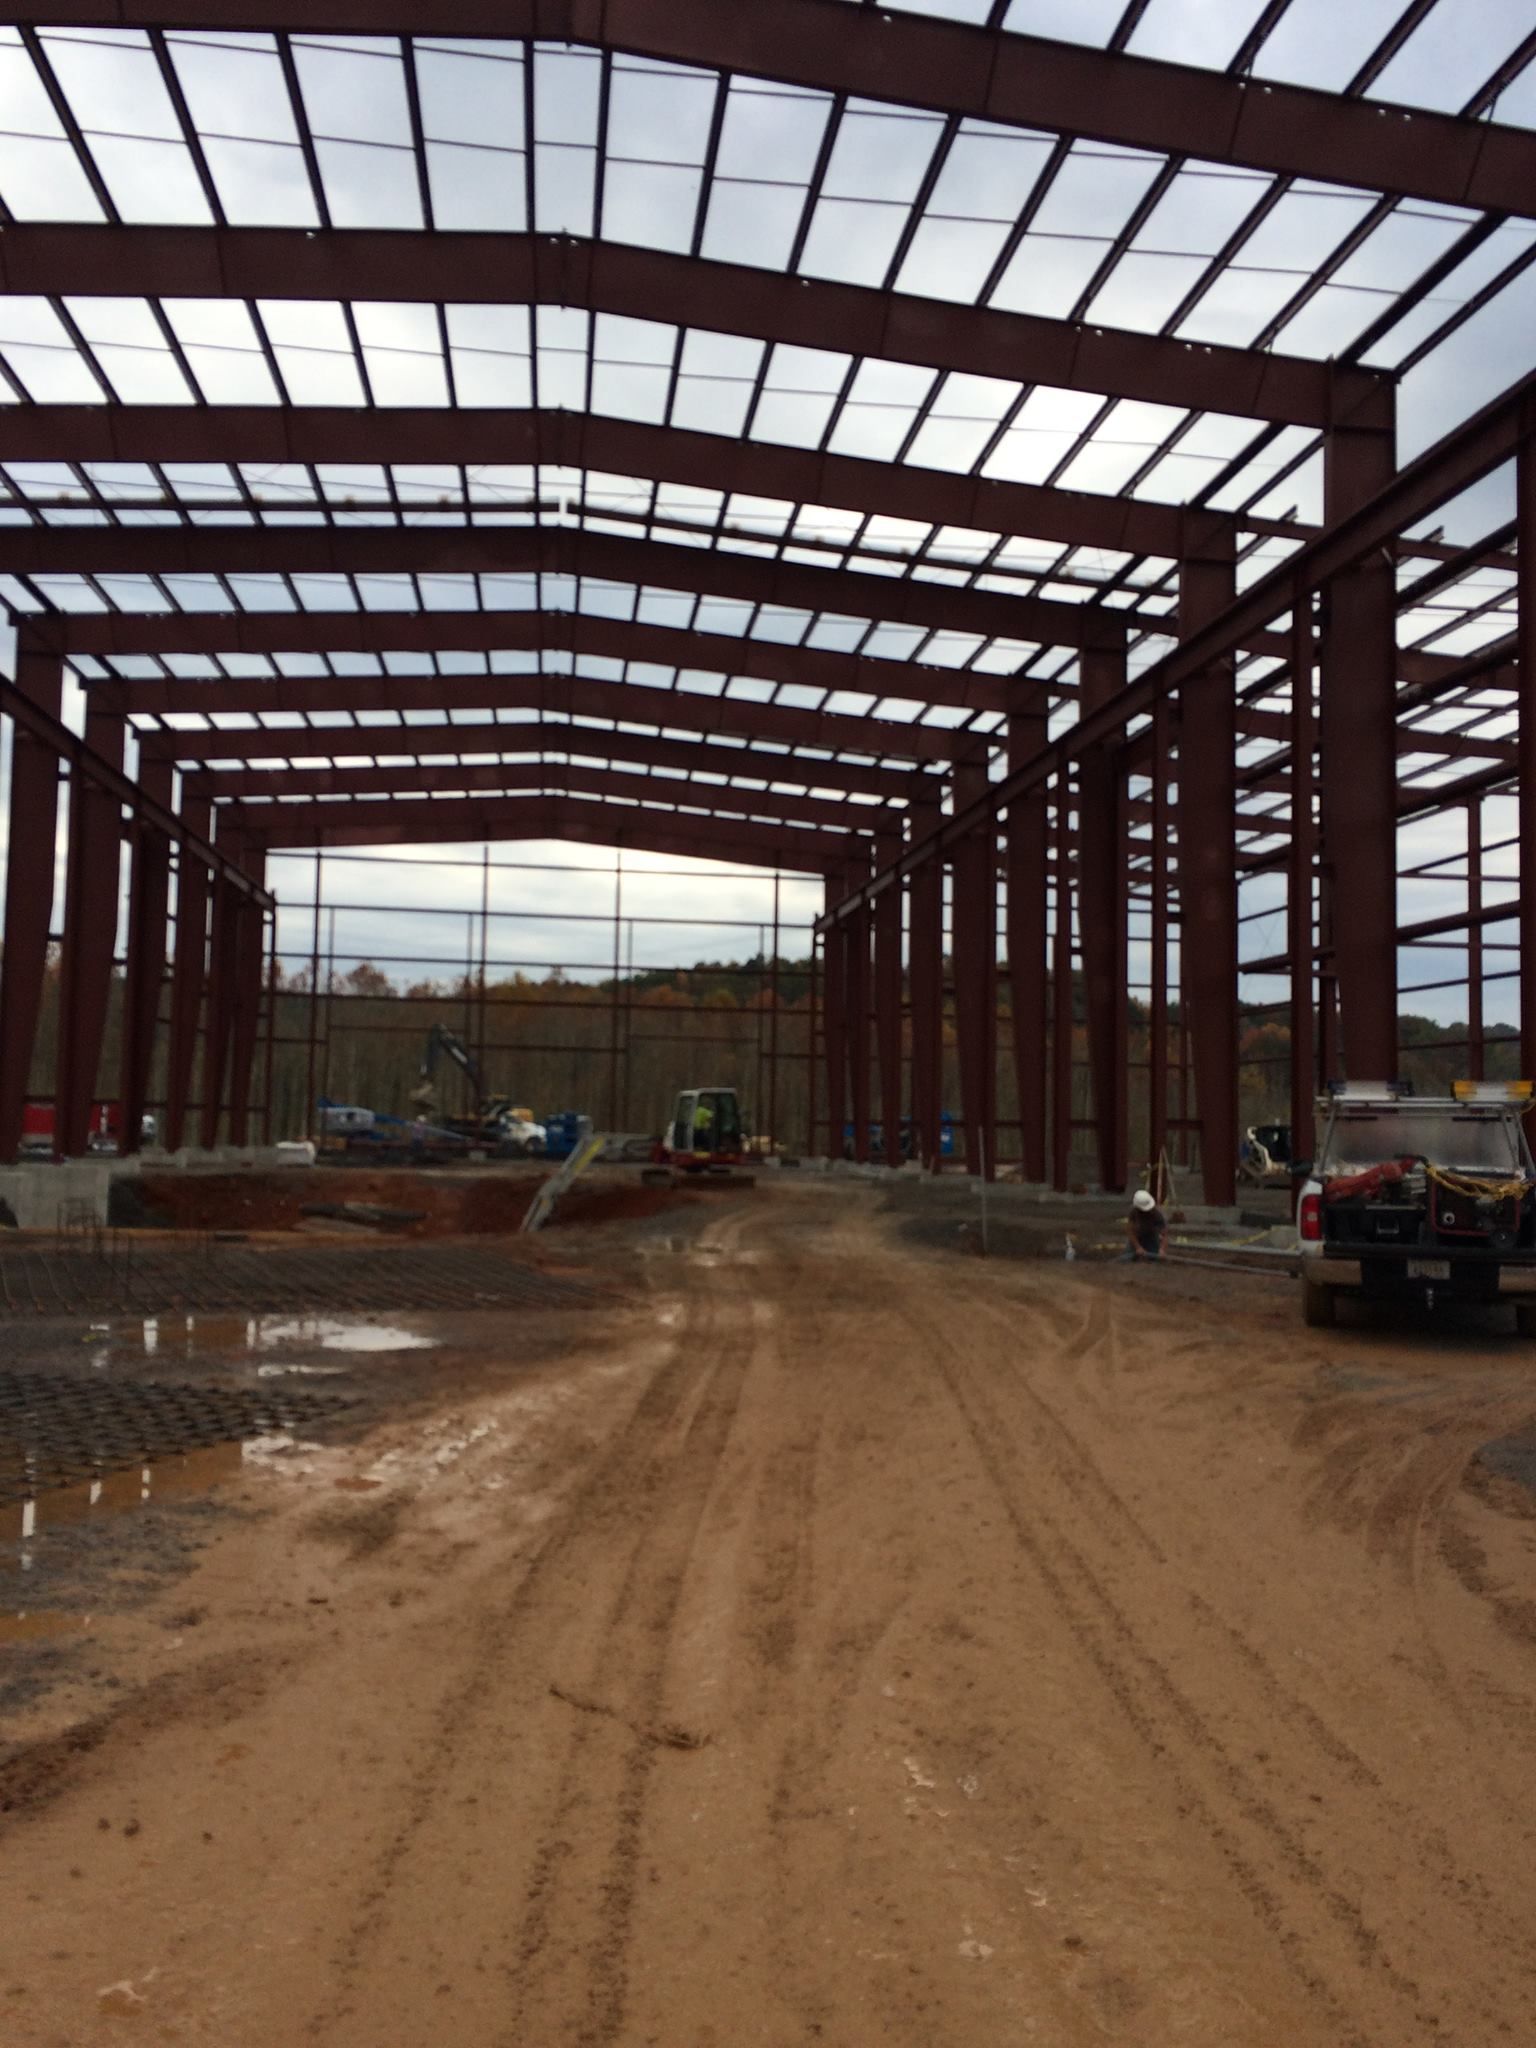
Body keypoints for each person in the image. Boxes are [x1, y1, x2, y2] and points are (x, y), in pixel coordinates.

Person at [1123, 1187, 1167, 1262]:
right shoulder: (1133, 1212)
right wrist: (1138, 1247)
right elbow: (1130, 1231)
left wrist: (1162, 1249)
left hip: (1151, 1238)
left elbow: (1164, 1234)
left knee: (1155, 1259)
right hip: (1137, 1237)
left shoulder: (1157, 1214)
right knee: (1126, 1259)